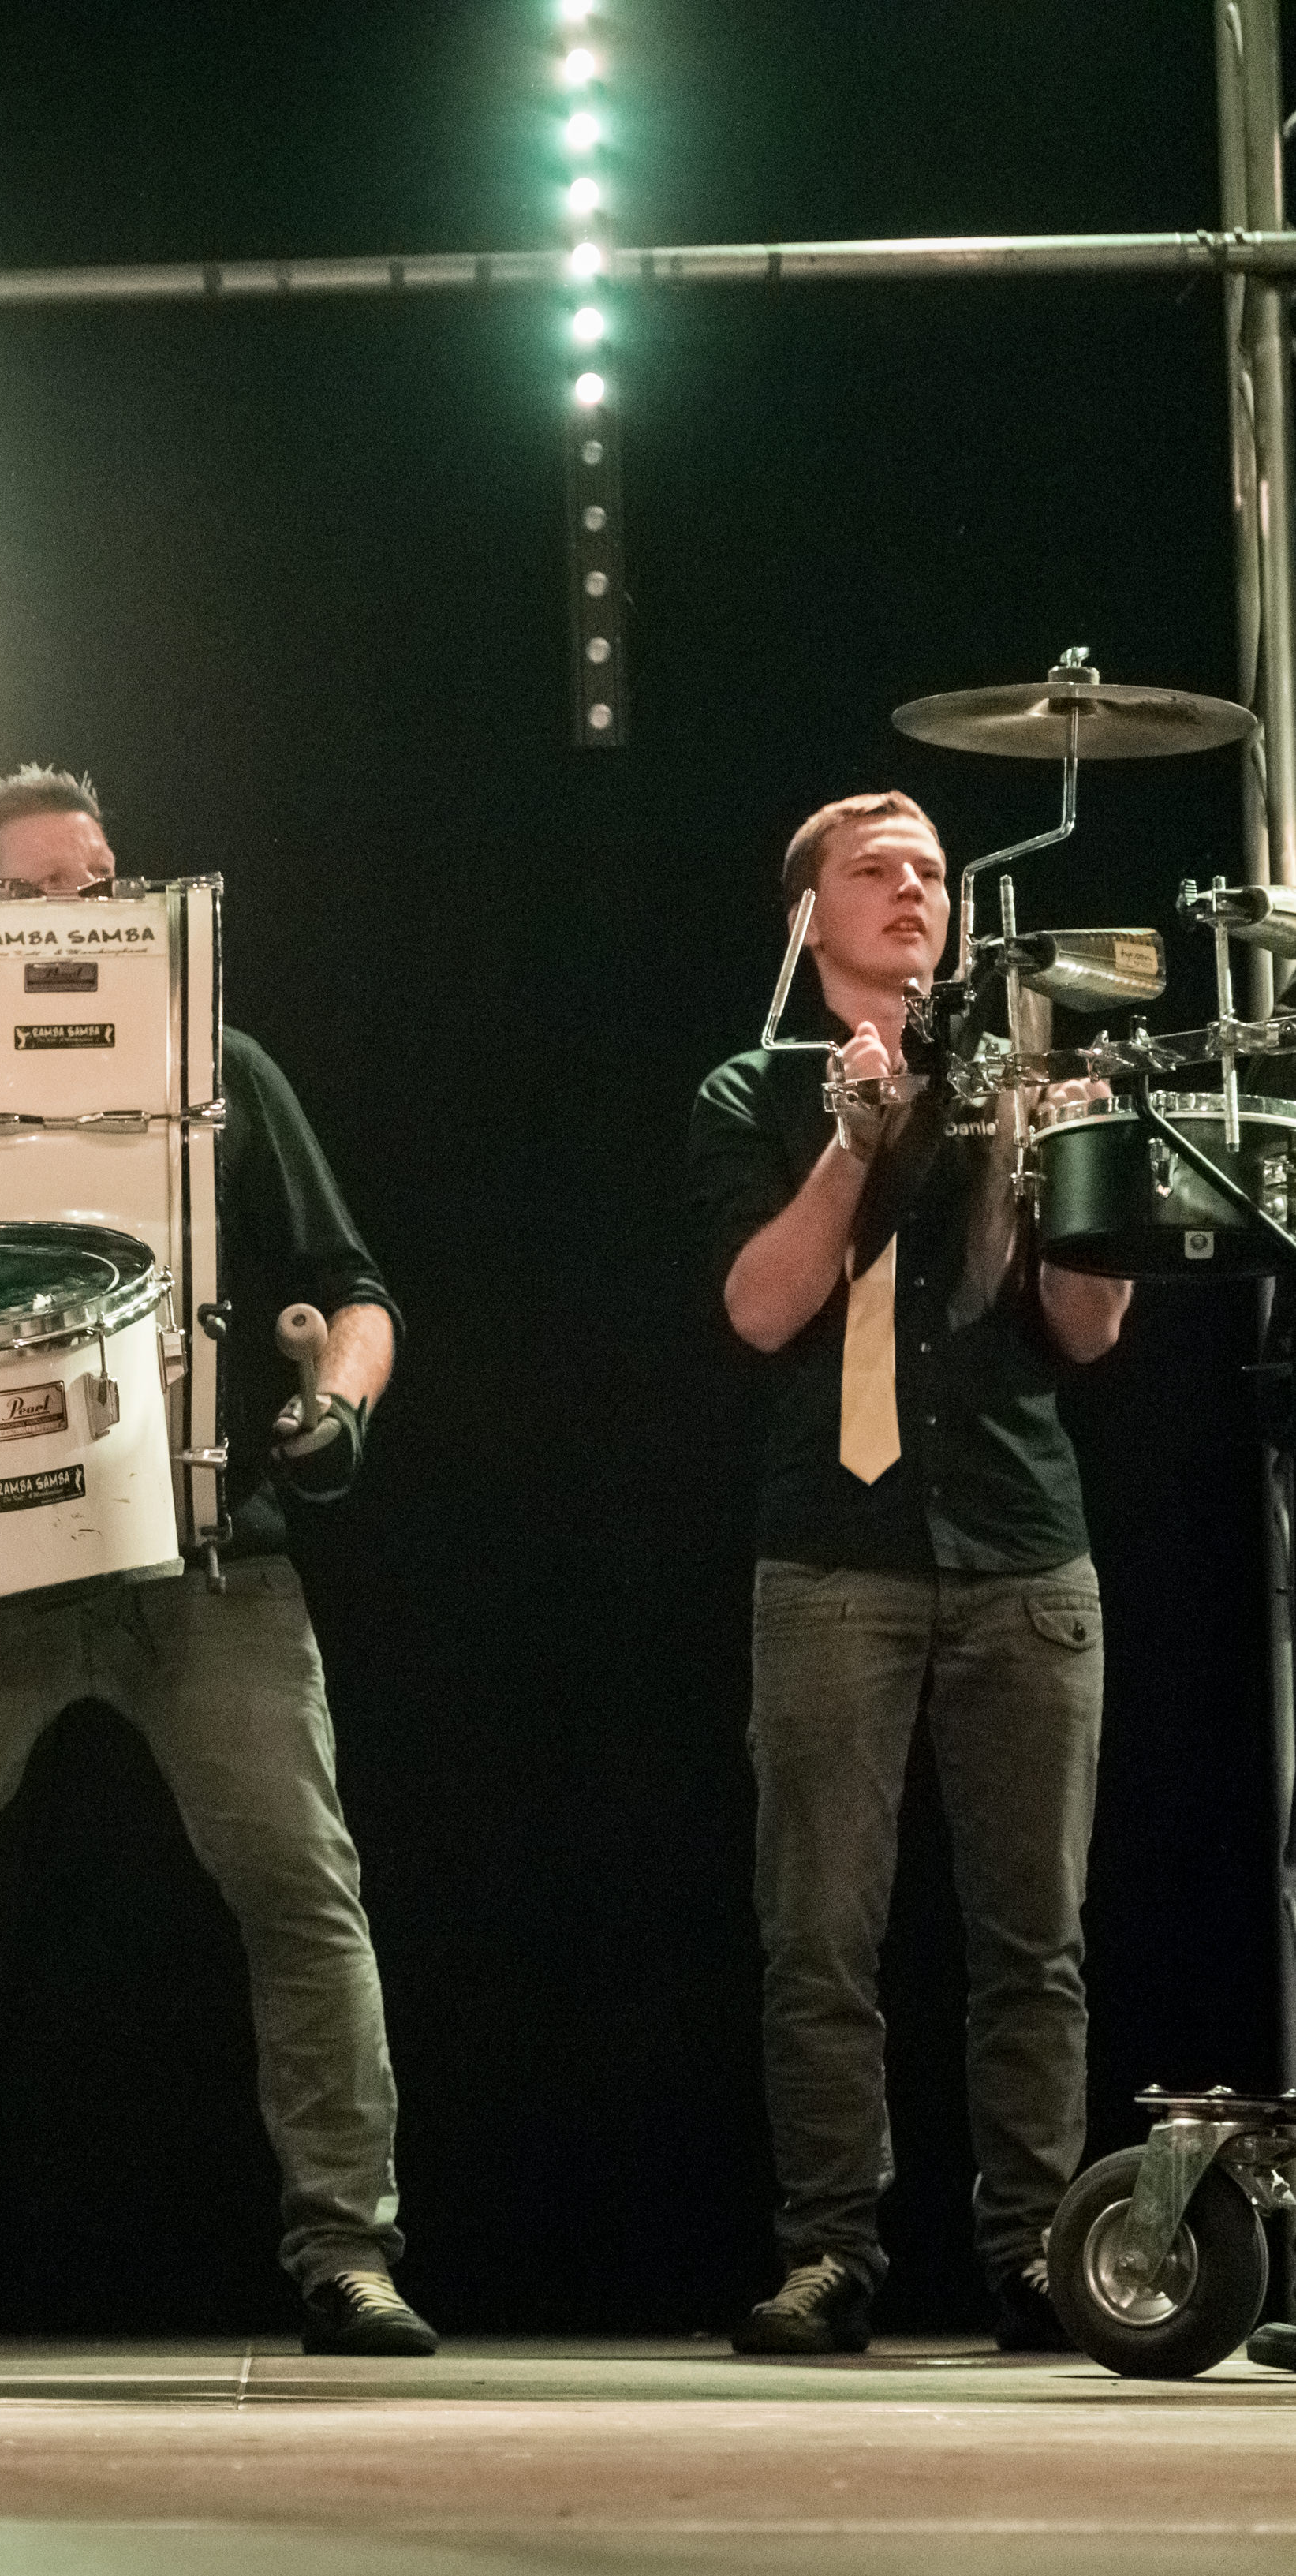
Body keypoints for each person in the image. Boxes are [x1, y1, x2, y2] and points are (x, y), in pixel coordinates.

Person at [0, 766, 437, 2359]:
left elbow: (356, 1289)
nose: (85, 910)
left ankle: (348, 2248)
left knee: (300, 1888)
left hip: (203, 1553)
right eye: (42, 886)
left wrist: (334, 1407)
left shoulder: (216, 1063)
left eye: (104, 881)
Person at [689, 789, 1122, 2355]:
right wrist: (850, 1148)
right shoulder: (753, 1088)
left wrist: (1085, 1171)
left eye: (930, 871)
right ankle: (830, 2249)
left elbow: (1085, 1331)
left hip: (1019, 1542)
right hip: (835, 1548)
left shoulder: (1026, 1080)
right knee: (818, 1930)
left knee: (1034, 1937)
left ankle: (1038, 2250)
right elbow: (759, 1308)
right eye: (873, 869)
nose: (911, 890)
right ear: (809, 916)